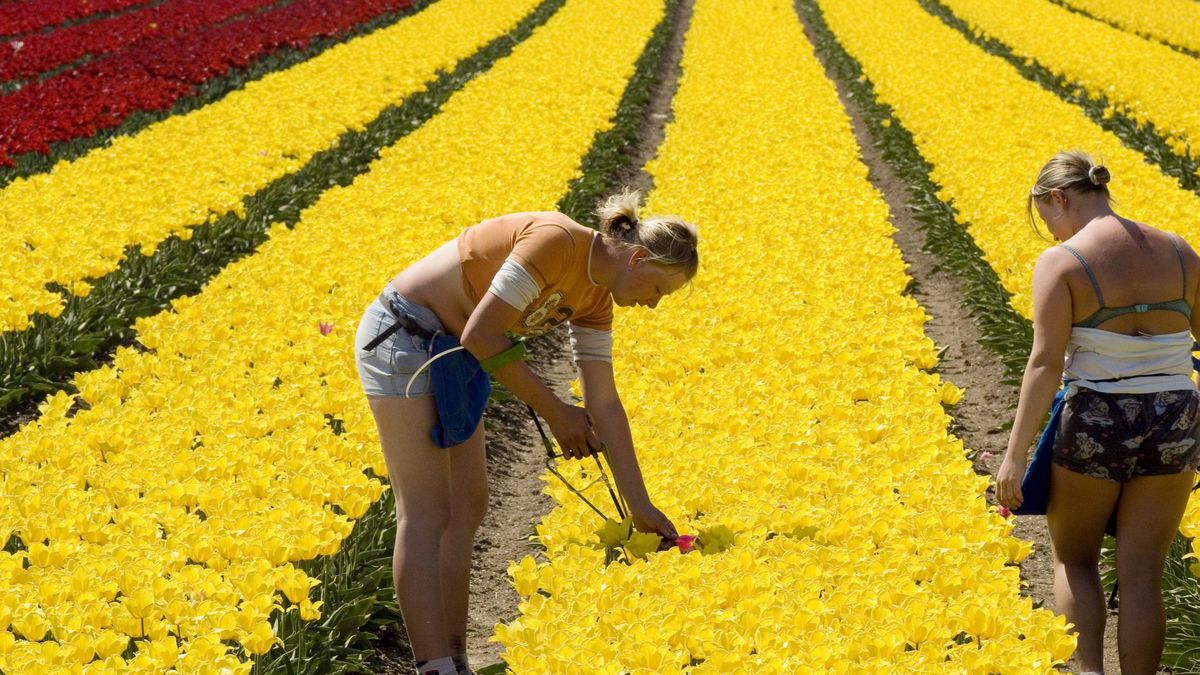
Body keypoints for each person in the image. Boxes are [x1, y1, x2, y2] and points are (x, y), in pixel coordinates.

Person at [353, 190, 698, 675]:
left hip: (454, 352)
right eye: (659, 290)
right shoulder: (556, 242)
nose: (655, 305)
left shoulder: (598, 298)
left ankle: (456, 659)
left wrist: (640, 506)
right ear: (638, 258)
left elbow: (604, 403)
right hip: (404, 336)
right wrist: (557, 413)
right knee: (428, 512)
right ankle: (434, 667)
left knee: (468, 504)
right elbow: (481, 334)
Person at [996, 151, 1200, 675]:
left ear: (1059, 198)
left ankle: (1088, 671)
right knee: (1142, 574)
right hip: (1175, 415)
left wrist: (1014, 458)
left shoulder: (1063, 262)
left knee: (1075, 558)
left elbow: (1044, 363)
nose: (1053, 233)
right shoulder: (1179, 251)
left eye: (1049, 219)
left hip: (1096, 416)